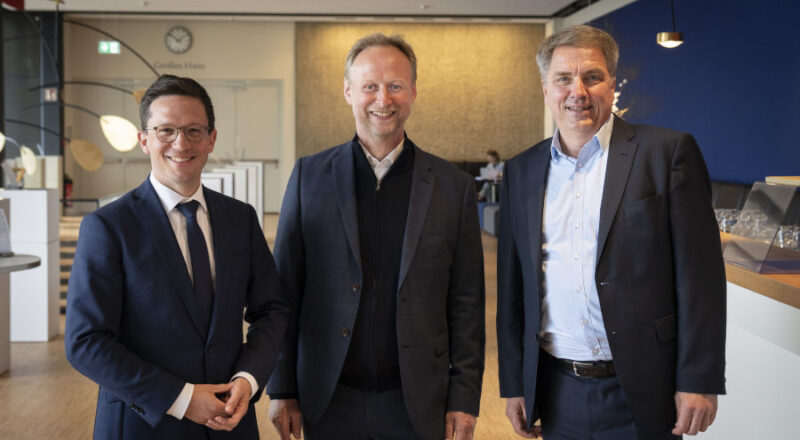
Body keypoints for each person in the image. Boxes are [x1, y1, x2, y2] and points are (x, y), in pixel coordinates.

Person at [497, 25, 726, 439]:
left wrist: (699, 377)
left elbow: (700, 278)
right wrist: (515, 383)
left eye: (592, 77)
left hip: (646, 385)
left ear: (612, 83)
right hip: (556, 387)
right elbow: (514, 289)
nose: (577, 92)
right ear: (545, 88)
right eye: (563, 79)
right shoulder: (521, 170)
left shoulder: (668, 153)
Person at [266, 33, 485, 440]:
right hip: (329, 396)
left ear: (414, 92)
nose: (383, 99)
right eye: (370, 86)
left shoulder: (452, 188)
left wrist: (465, 397)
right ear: (349, 92)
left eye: (396, 86)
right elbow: (285, 292)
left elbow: (467, 302)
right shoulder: (308, 178)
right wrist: (282, 386)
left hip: (418, 400)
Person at [65, 74, 289, 439]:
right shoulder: (108, 226)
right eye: (165, 130)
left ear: (211, 139)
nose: (180, 143)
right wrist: (181, 398)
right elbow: (85, 341)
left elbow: (271, 309)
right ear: (144, 140)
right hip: (144, 425)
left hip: (231, 423)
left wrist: (247, 379)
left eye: (194, 131)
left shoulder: (240, 218)